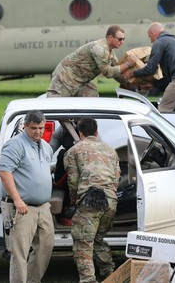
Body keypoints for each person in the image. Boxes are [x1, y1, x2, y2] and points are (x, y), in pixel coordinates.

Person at [0, 110, 55, 283]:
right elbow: (4, 172)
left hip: (43, 207)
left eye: (41, 128)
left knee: (45, 249)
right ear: (25, 126)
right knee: (20, 253)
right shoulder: (15, 145)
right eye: (33, 128)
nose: (38, 131)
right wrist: (17, 200)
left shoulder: (46, 146)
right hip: (22, 207)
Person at [65, 117, 120, 282]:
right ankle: (110, 272)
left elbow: (73, 181)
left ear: (80, 133)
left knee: (83, 243)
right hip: (110, 201)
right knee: (97, 238)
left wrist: (74, 203)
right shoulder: (111, 150)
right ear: (96, 131)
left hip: (89, 202)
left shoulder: (74, 151)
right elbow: (116, 178)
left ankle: (88, 280)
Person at [123, 22, 175, 112]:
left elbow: (150, 69)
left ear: (154, 33)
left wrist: (132, 73)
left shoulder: (159, 42)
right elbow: (169, 75)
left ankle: (162, 127)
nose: (151, 41)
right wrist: (153, 84)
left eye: (150, 37)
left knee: (163, 109)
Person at [47, 25, 138, 97]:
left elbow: (117, 71)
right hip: (64, 80)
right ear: (110, 37)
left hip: (80, 82)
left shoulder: (110, 52)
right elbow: (108, 72)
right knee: (55, 111)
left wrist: (133, 83)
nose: (122, 42)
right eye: (120, 39)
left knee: (92, 100)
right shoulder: (99, 49)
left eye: (123, 39)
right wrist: (128, 64)